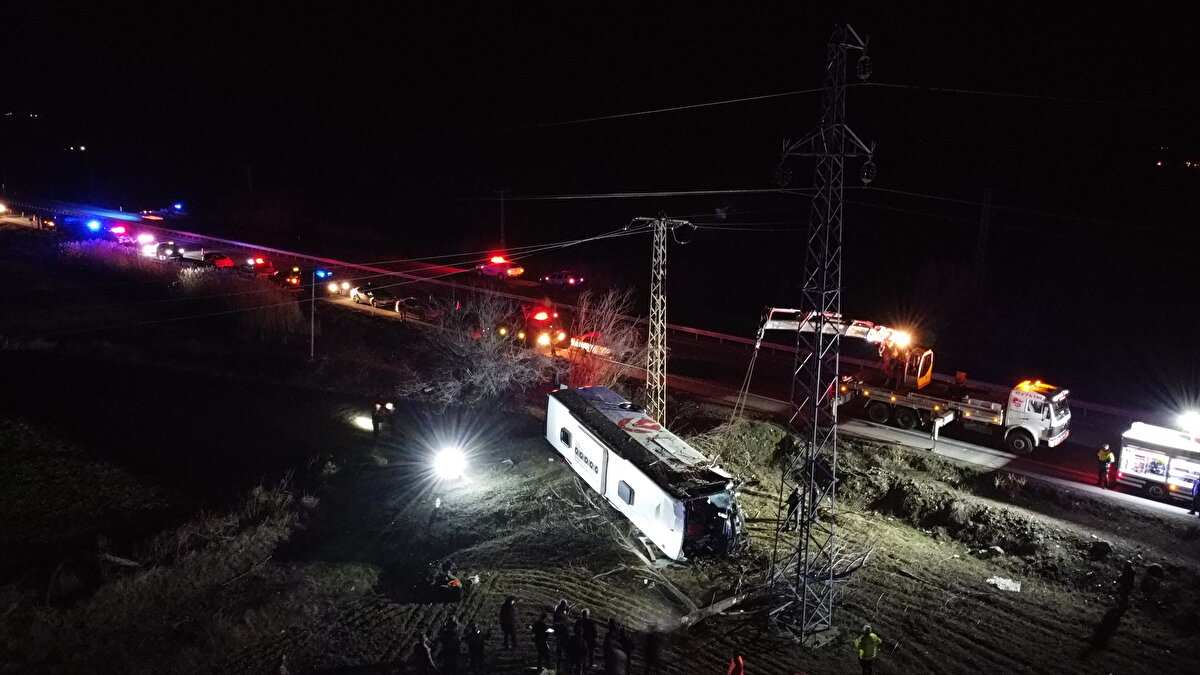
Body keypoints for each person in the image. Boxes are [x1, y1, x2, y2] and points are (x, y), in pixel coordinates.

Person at [553, 599, 571, 668]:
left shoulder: (559, 612)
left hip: (562, 632)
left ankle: (561, 664)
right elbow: (561, 621)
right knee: (562, 648)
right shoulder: (559, 613)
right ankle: (560, 665)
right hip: (561, 633)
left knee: (562, 648)